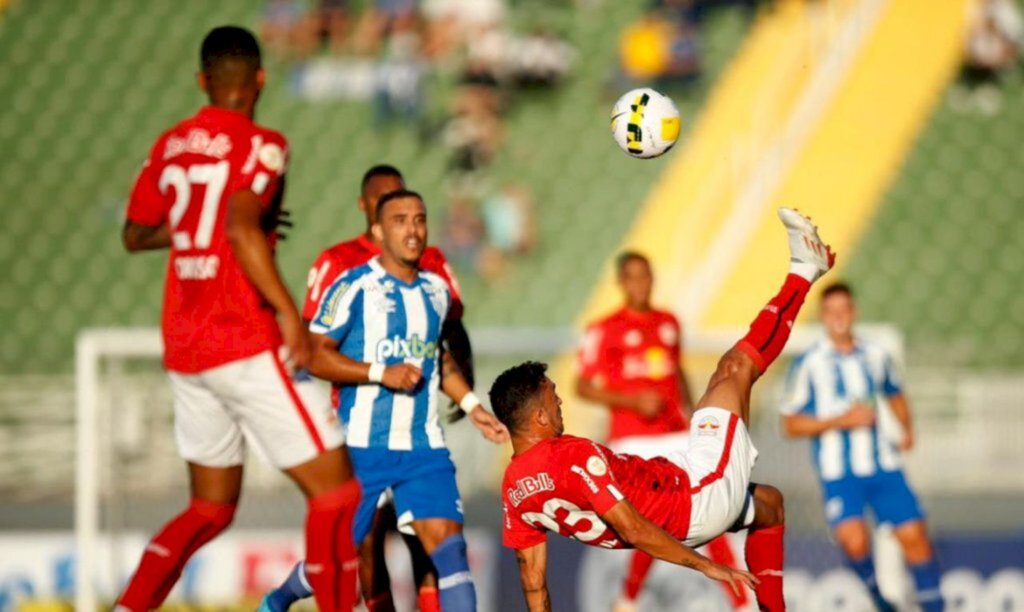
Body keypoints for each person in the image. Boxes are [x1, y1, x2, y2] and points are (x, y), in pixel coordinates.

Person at [117, 26, 360, 612]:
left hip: (184, 343)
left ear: (202, 82)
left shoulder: (171, 143)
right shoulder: (263, 144)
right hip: (241, 338)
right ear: (260, 80)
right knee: (337, 494)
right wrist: (289, 316)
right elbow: (240, 226)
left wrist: (215, 232)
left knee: (210, 507)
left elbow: (135, 234)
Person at [491, 208, 836, 612]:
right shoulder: (571, 454)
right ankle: (803, 270)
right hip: (693, 497)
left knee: (768, 505)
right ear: (540, 417)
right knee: (736, 368)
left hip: (679, 493)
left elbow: (533, 582)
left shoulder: (514, 487)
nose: (560, 400)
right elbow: (633, 527)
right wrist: (705, 565)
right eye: (553, 396)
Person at [268, 189, 509, 612]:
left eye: (419, 219)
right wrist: (381, 373)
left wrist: (473, 406)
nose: (412, 229)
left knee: (450, 550)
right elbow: (315, 353)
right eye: (400, 220)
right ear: (378, 230)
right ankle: (280, 597)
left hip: (423, 447)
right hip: (363, 447)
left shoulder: (436, 291)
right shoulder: (354, 286)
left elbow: (436, 357)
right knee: (336, 560)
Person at [576, 250, 746, 610]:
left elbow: (675, 370)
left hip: (676, 433)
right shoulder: (603, 329)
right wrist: (633, 402)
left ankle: (739, 602)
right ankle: (632, 595)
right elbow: (583, 386)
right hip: (634, 437)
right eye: (633, 277)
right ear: (621, 282)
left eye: (646, 275)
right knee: (658, 520)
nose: (640, 283)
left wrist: (693, 410)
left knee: (709, 510)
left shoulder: (668, 322)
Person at [781, 283, 943, 612]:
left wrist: (907, 429)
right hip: (839, 473)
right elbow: (791, 424)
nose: (839, 317)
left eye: (845, 309)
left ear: (854, 313)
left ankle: (935, 608)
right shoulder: (809, 364)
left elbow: (895, 392)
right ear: (823, 316)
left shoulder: (876, 355)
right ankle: (881, 601)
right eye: (832, 311)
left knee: (914, 536)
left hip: (884, 465)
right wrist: (839, 421)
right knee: (854, 542)